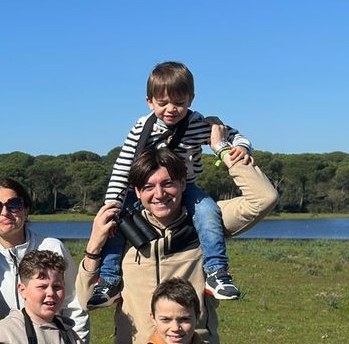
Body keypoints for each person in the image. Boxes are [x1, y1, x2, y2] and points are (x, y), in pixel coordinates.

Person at [75, 146, 277, 344]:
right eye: (148, 187)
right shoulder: (120, 231)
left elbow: (265, 198)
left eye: (168, 183)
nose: (159, 194)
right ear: (137, 192)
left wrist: (224, 151)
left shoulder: (206, 222)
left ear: (183, 183)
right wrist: (95, 244)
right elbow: (86, 300)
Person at [89, 61, 254, 308]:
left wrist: (240, 147)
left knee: (208, 213)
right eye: (162, 103)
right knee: (116, 224)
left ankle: (217, 272)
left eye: (178, 102)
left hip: (186, 186)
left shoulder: (198, 123)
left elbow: (231, 134)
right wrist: (113, 202)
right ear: (149, 101)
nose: (171, 109)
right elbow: (123, 166)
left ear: (191, 99)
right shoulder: (141, 127)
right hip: (144, 188)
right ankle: (109, 280)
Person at [0, 179, 90, 344]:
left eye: (14, 204)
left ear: (25, 211)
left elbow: (75, 303)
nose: (5, 212)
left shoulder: (53, 247)